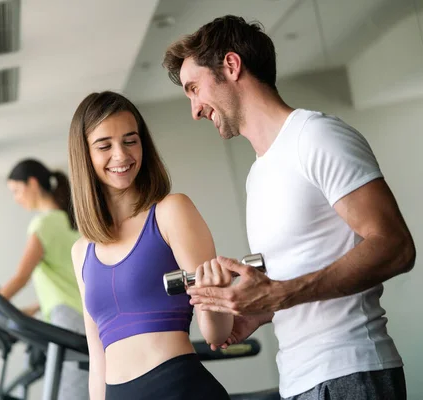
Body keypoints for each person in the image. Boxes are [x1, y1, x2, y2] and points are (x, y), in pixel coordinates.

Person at [162, 15, 416, 400]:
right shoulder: (259, 173)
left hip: (350, 370)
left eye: (194, 88)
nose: (195, 109)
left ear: (231, 66)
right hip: (299, 379)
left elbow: (395, 246)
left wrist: (280, 295)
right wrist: (261, 310)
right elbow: (302, 270)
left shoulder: (315, 136)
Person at [68, 90, 234, 400]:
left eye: (130, 141)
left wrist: (216, 295)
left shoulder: (172, 211)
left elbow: (217, 333)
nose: (121, 155)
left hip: (179, 388)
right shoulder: (82, 251)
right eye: (105, 146)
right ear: (85, 156)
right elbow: (97, 354)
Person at [0, 158, 88, 400]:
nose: (16, 198)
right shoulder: (68, 222)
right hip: (81, 317)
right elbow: (65, 286)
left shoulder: (43, 224)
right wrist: (28, 310)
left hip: (69, 320)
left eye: (16, 190)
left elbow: (21, 276)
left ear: (32, 183)